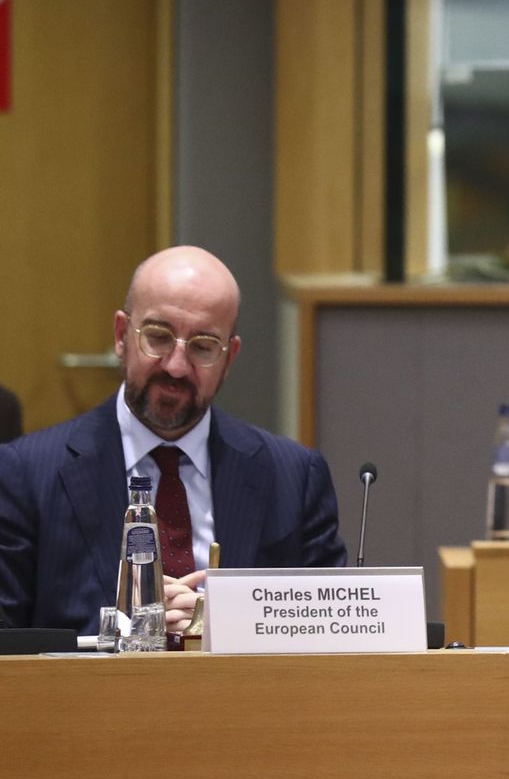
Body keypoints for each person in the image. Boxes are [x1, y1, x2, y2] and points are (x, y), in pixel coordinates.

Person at [0, 246, 346, 635]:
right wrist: (128, 628)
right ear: (121, 336)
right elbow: (8, 646)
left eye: (202, 346)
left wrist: (226, 622)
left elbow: (325, 636)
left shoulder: (293, 477)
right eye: (159, 337)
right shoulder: (24, 475)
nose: (176, 367)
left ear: (229, 358)